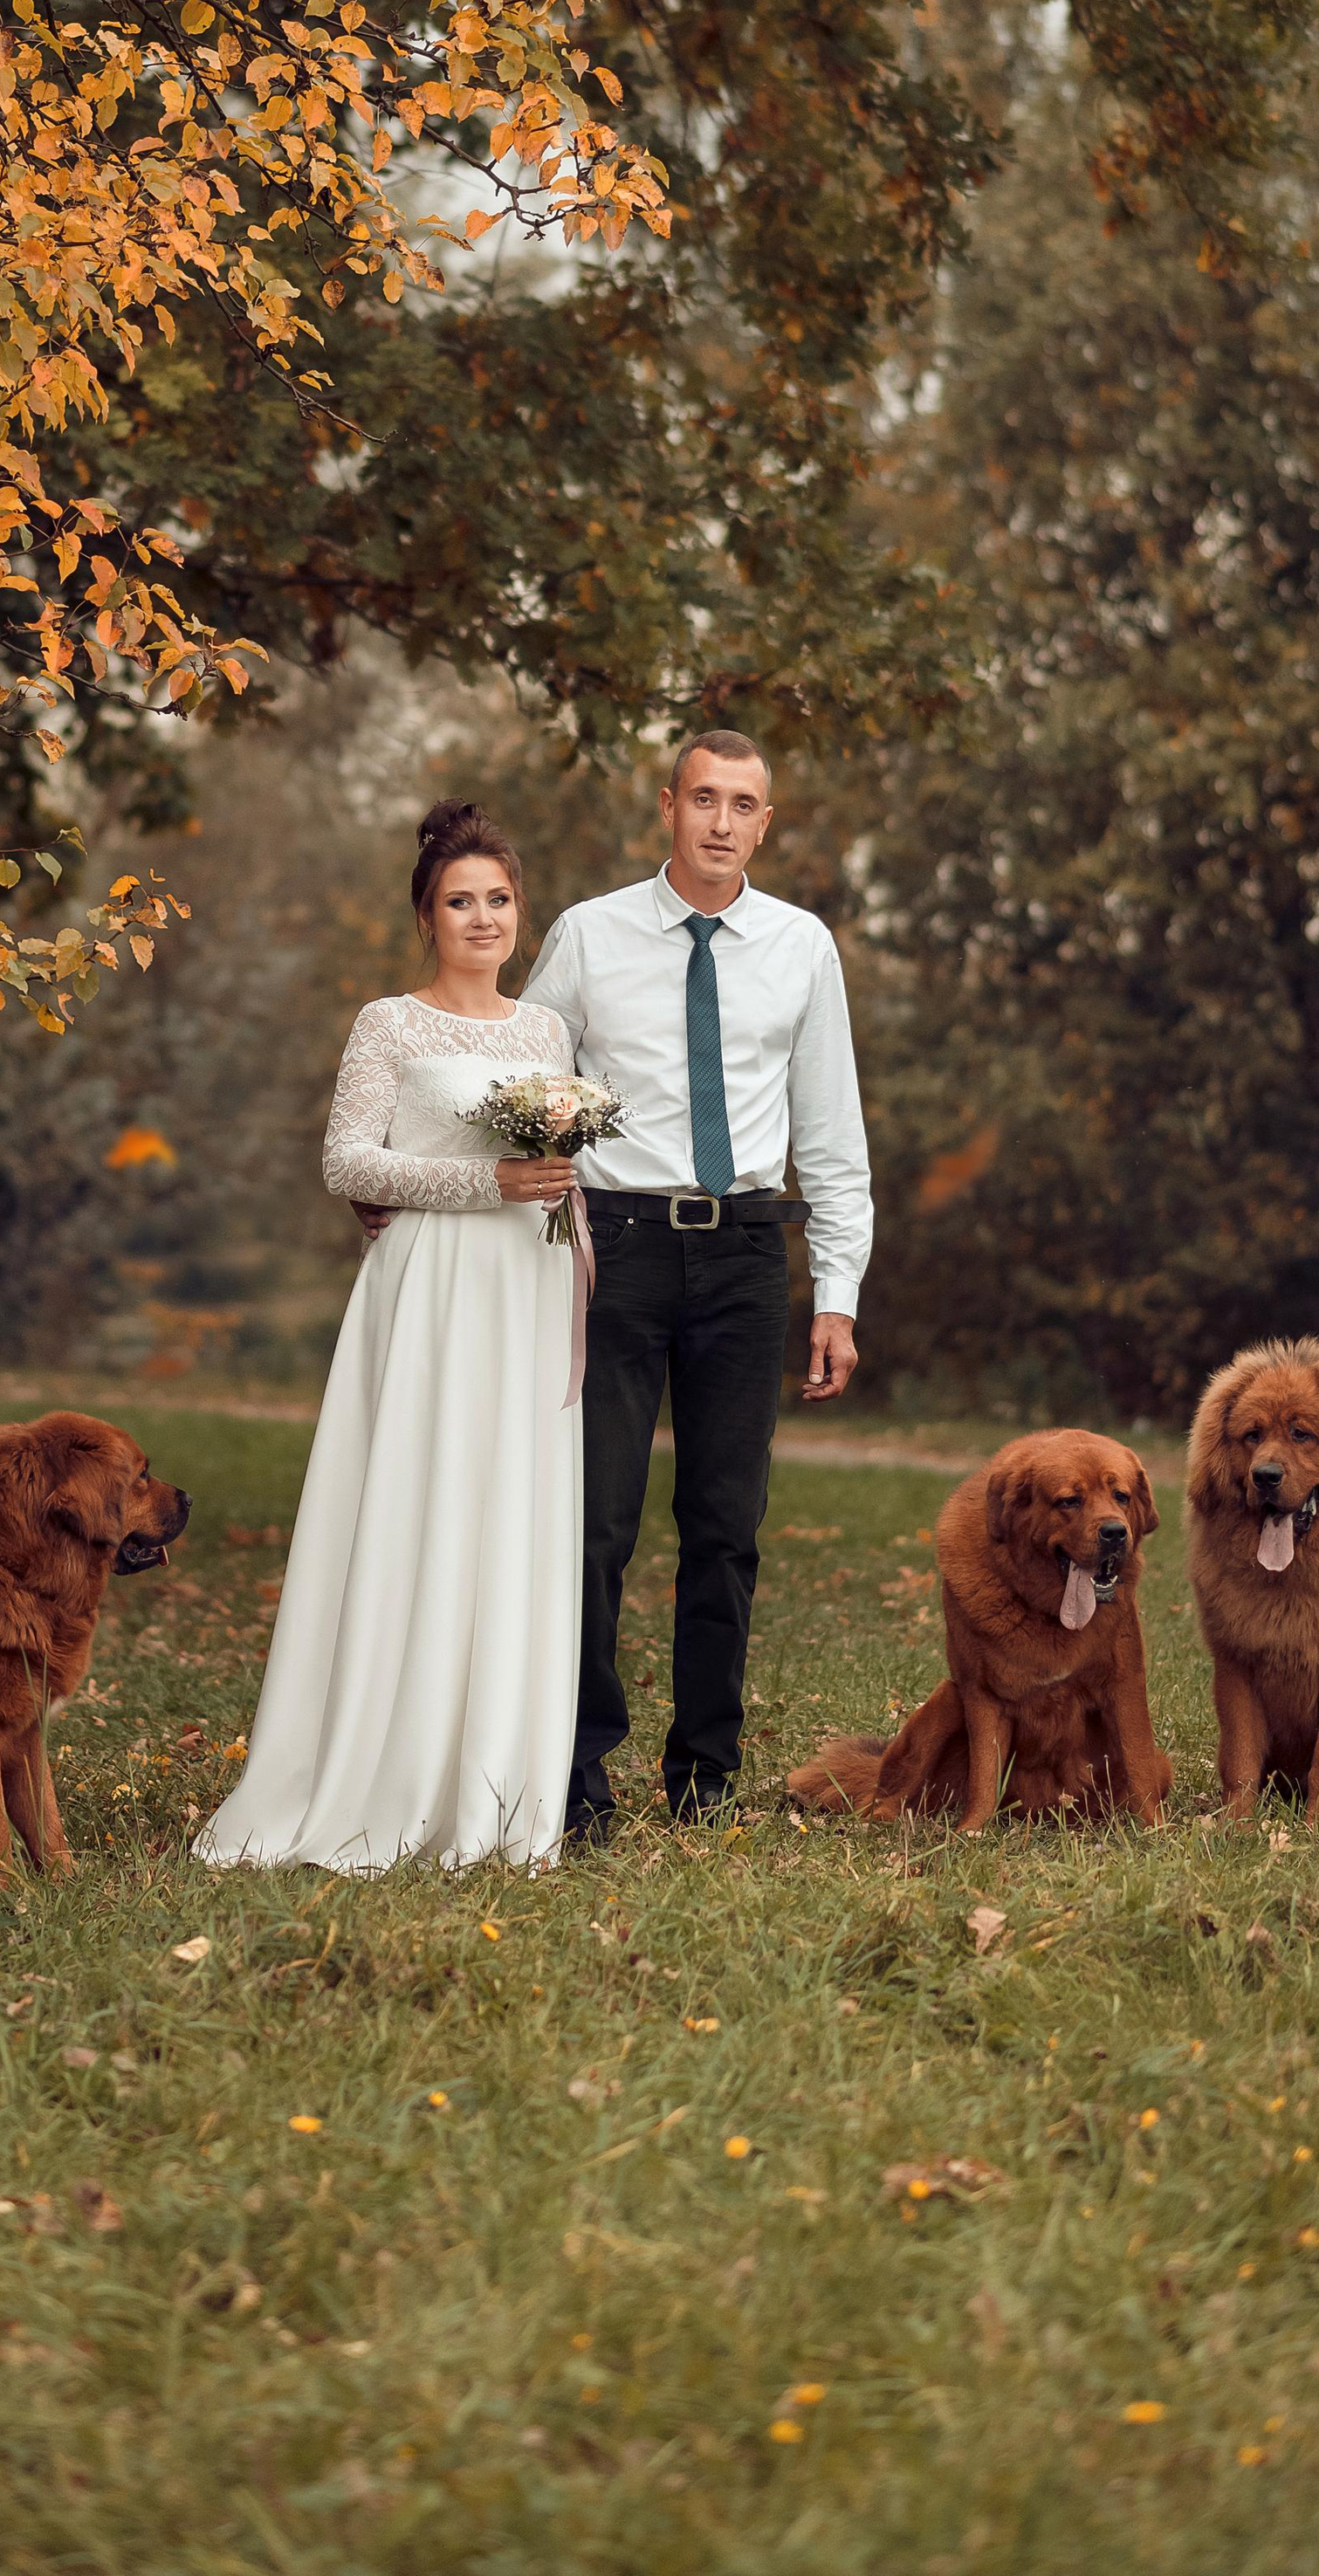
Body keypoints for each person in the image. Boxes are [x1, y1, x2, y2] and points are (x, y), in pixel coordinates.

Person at [193, 800, 583, 1872]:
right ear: (426, 915)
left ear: (521, 911)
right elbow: (349, 1164)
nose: (482, 918)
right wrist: (485, 1181)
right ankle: (379, 1766)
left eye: (498, 900)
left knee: (510, 1510)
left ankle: (495, 1785)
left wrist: (551, 1189)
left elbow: (558, 1157)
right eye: (460, 902)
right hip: (428, 1293)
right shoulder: (389, 1023)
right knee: (421, 1499)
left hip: (527, 1291)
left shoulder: (546, 1032)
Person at [525, 727, 872, 1843]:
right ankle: (580, 1772)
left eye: (745, 804)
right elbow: (521, 1087)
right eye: (704, 799)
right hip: (615, 1251)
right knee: (596, 1527)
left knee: (726, 1527)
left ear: (765, 823)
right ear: (667, 806)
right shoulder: (588, 935)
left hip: (743, 1258)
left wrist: (837, 1294)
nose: (722, 822)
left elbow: (832, 1136)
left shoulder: (800, 946)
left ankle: (703, 1775)